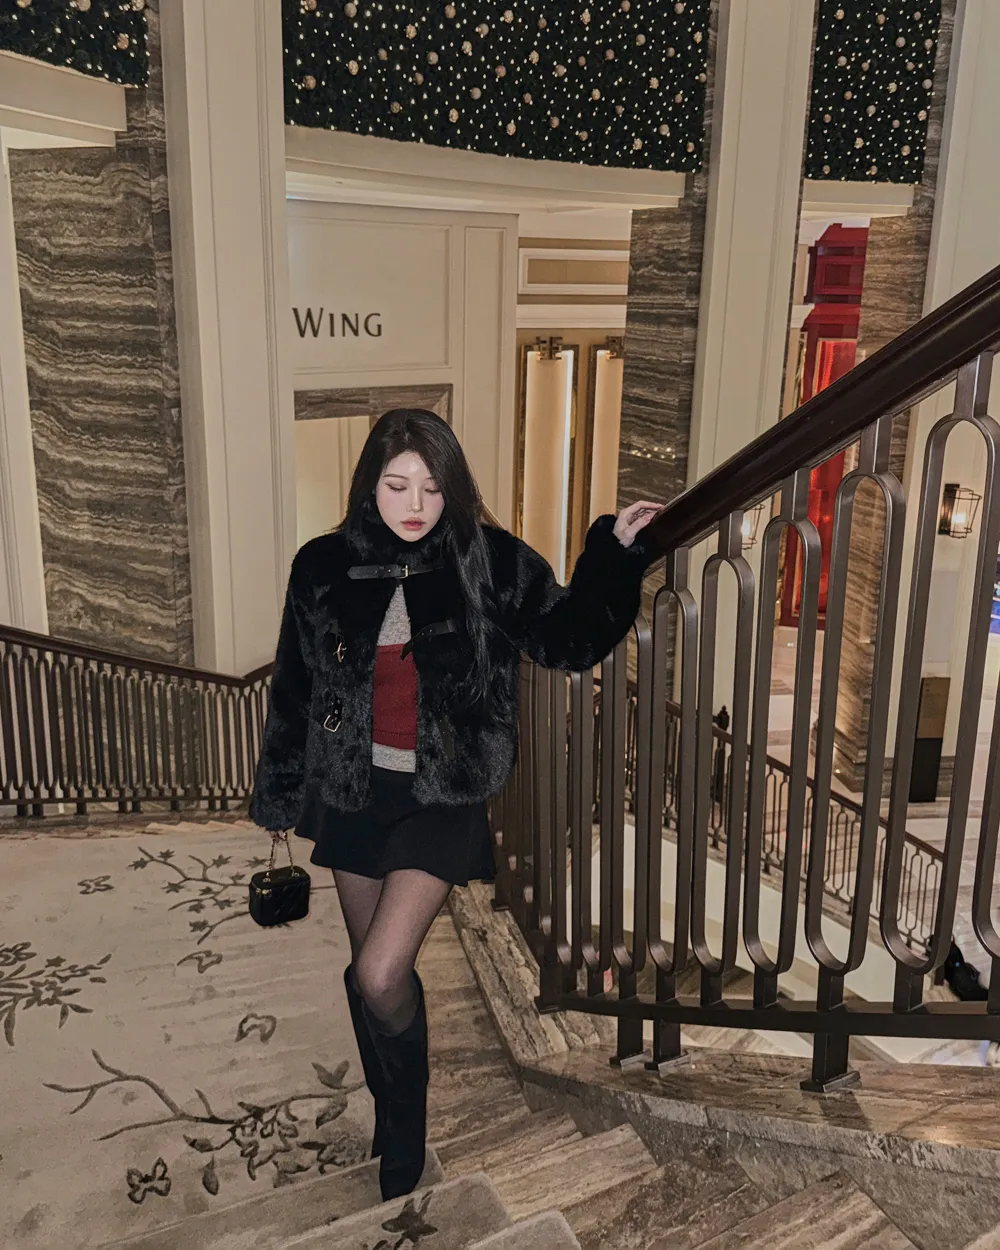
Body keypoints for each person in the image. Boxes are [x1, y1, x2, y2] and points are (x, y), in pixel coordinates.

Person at [248, 408, 660, 1202]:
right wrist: (281, 788)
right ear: (368, 485)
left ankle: (404, 1124)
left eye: (432, 488)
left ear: (454, 489)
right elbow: (295, 687)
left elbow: (569, 638)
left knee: (382, 972)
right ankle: (386, 1096)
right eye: (397, 485)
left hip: (441, 795)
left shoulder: (490, 561)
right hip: (352, 792)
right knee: (368, 974)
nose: (415, 504)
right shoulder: (322, 566)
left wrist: (613, 556)